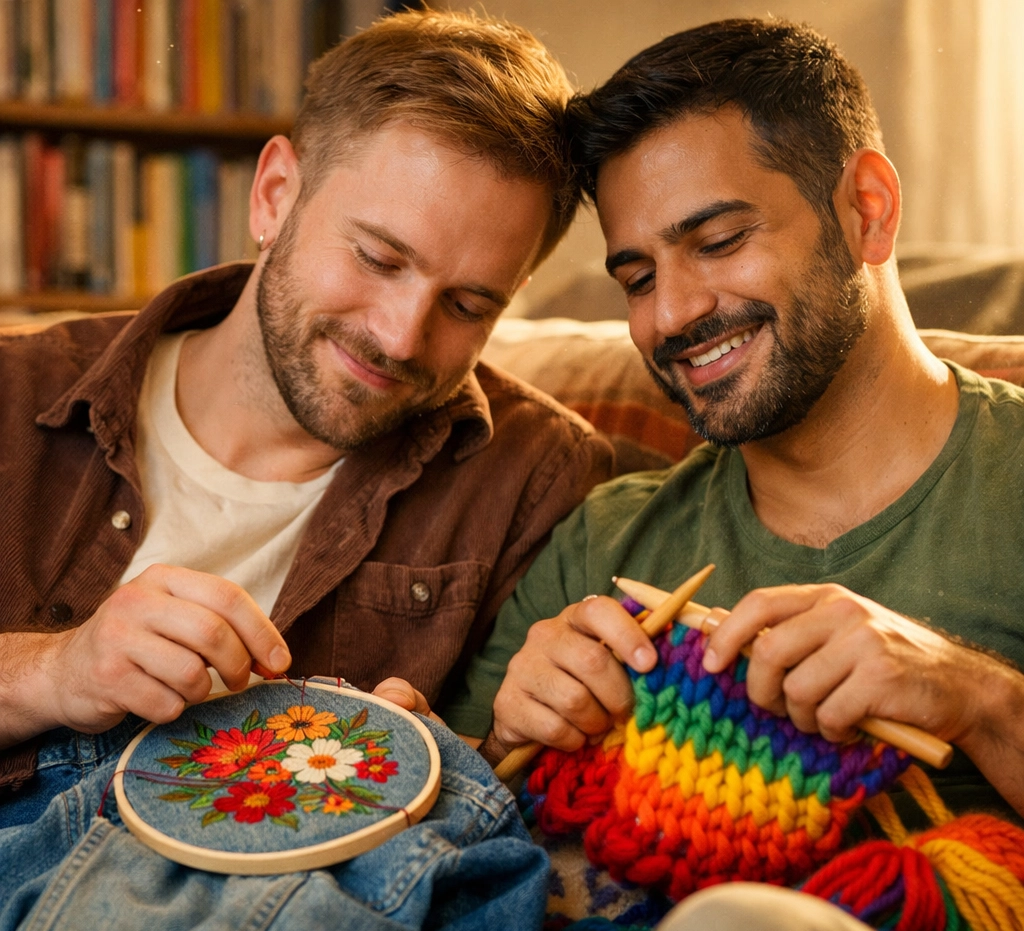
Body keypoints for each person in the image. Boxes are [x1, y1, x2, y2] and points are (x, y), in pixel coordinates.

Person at [458, 17, 1024, 931]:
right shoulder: (606, 542)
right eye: (637, 278)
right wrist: (510, 734)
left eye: (718, 242)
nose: (672, 313)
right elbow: (441, 859)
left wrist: (977, 699)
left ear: (868, 210)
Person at [0, 10, 612, 821]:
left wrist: (451, 764)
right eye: (379, 258)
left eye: (468, 304)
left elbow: (514, 783)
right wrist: (53, 673)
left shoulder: (536, 475)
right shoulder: (14, 389)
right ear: (274, 196)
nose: (401, 337)